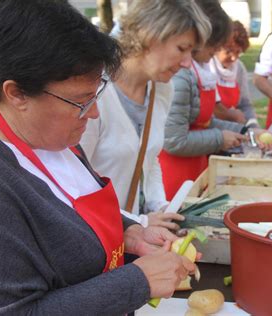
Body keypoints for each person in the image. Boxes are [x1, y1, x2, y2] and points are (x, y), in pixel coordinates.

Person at [0, 0, 195, 313]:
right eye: (81, 101)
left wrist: (131, 232)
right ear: (16, 94)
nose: (94, 113)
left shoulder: (50, 137)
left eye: (95, 95)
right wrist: (138, 281)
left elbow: (68, 210)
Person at [80, 0, 210, 230]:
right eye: (181, 48)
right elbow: (74, 181)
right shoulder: (93, 90)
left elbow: (149, 159)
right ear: (150, 36)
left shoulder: (161, 88)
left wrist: (159, 206)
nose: (187, 63)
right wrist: (139, 222)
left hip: (130, 237)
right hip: (92, 234)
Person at [160, 0, 272, 200]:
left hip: (196, 166)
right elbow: (174, 141)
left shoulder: (200, 71)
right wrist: (220, 138)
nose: (217, 51)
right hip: (174, 173)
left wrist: (246, 131)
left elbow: (204, 121)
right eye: (216, 45)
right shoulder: (182, 77)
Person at [209, 20, 260, 128]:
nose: (233, 57)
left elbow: (245, 105)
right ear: (217, 47)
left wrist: (253, 126)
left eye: (238, 52)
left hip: (234, 132)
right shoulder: (207, 66)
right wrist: (230, 115)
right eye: (228, 51)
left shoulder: (239, 68)